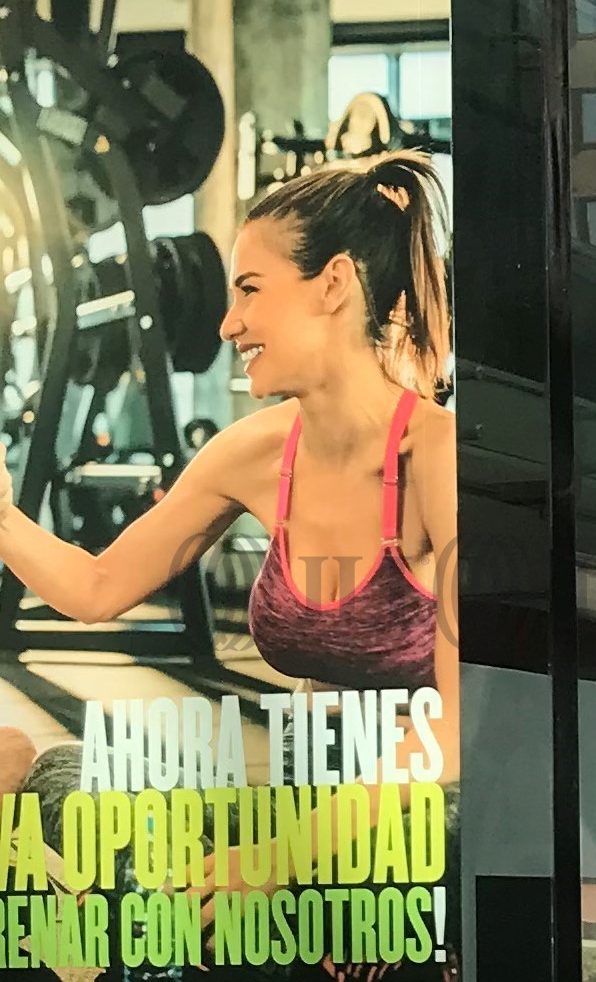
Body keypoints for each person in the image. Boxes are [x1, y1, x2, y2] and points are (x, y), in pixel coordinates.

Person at [0, 152, 456, 755]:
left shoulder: (438, 456)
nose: (227, 325)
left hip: (422, 798)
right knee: (34, 763)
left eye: (250, 291)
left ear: (333, 284)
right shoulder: (253, 453)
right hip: (304, 792)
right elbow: (97, 587)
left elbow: (462, 728)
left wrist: (317, 822)